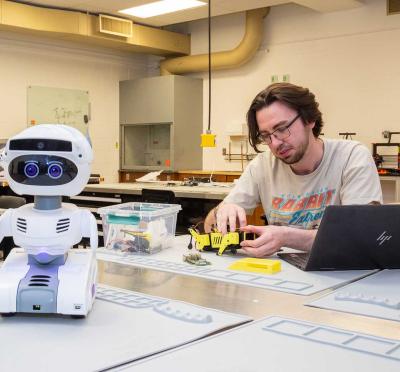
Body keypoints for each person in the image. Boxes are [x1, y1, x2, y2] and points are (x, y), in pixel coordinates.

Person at [205, 82, 382, 257]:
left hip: (343, 274)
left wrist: (286, 237)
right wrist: (221, 212)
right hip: (284, 274)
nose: (275, 143)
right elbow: (208, 227)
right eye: (266, 136)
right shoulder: (262, 166)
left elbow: (361, 236)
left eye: (282, 129)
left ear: (310, 119)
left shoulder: (351, 157)